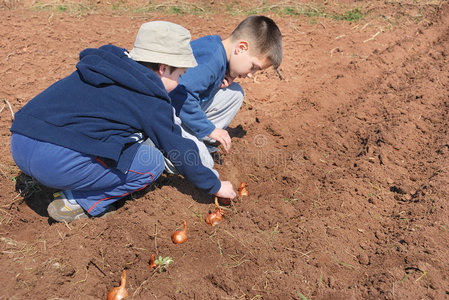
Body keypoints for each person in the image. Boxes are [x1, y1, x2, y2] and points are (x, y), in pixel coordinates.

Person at [9, 21, 236, 223]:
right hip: (54, 163)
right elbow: (178, 148)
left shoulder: (107, 66)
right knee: (152, 162)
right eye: (180, 75)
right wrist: (215, 185)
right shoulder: (150, 98)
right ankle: (79, 201)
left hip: (20, 141)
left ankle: (65, 178)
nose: (179, 82)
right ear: (163, 68)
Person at [170, 15, 282, 156]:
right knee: (204, 161)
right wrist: (210, 129)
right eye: (253, 67)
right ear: (241, 48)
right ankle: (174, 149)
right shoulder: (210, 63)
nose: (251, 75)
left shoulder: (215, 50)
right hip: (162, 115)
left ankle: (199, 140)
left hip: (174, 107)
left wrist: (217, 82)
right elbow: (181, 96)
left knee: (234, 93)